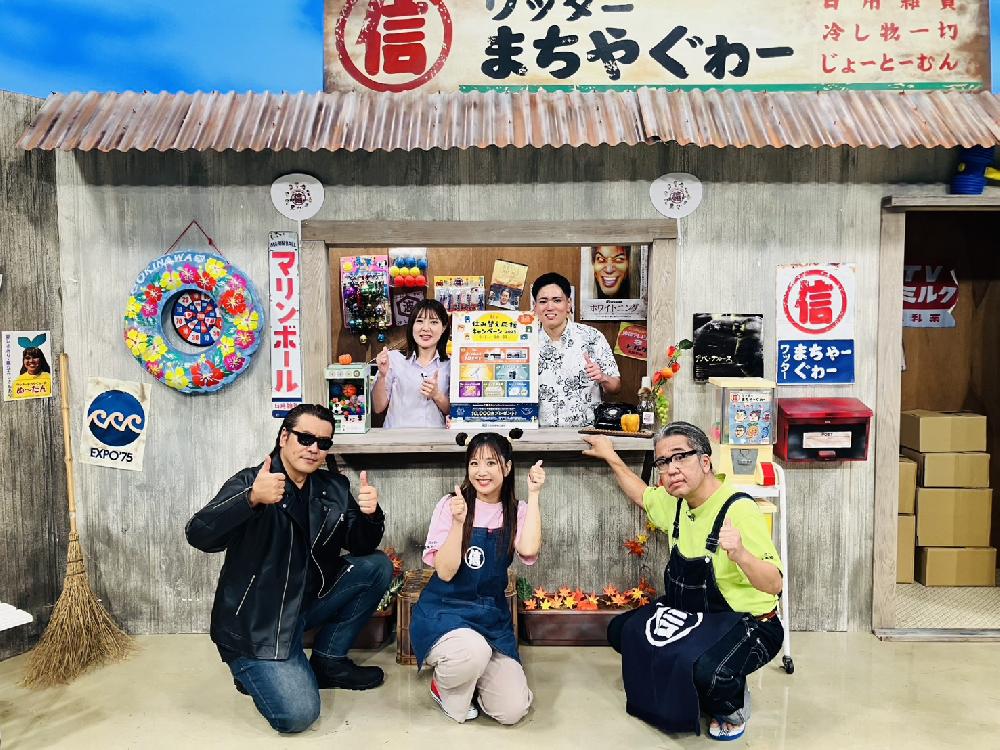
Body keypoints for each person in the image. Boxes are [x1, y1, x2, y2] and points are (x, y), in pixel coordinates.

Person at [185, 404, 392, 734]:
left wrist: (371, 516)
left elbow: (360, 545)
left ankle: (329, 662)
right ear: (284, 437)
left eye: (323, 443)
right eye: (305, 438)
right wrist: (250, 499)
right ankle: (250, 669)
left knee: (377, 566)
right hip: (259, 623)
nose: (313, 449)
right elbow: (199, 534)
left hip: (308, 603)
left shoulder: (333, 487)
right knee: (298, 715)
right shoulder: (252, 482)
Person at [582, 422, 783, 741]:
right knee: (623, 632)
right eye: (663, 462)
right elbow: (642, 495)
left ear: (705, 462)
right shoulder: (676, 501)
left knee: (709, 672)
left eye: (680, 457)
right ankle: (698, 676)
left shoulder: (739, 509)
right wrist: (611, 456)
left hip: (751, 622)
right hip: (696, 616)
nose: (671, 469)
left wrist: (741, 554)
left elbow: (774, 585)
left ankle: (731, 704)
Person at [409, 432, 544, 725]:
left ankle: (473, 675)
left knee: (512, 710)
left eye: (491, 463)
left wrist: (534, 495)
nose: (481, 472)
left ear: (507, 467)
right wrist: (459, 524)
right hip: (444, 613)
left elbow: (529, 549)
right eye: (474, 463)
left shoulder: (517, 511)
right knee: (473, 651)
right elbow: (445, 572)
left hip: (490, 619)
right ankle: (443, 686)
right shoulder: (451, 505)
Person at [532, 272, 621, 427]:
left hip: (585, 433)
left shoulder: (592, 337)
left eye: (557, 300)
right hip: (538, 434)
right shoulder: (527, 342)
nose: (550, 307)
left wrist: (602, 377)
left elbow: (616, 387)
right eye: (543, 301)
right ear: (535, 306)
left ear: (569, 304)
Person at [372, 299, 451, 428]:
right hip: (397, 438)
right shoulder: (394, 359)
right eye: (419, 321)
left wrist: (437, 395)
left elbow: (455, 412)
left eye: (434, 322)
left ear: (443, 327)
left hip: (434, 438)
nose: (425, 328)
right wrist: (382, 375)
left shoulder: (450, 365)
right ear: (412, 326)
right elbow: (378, 407)